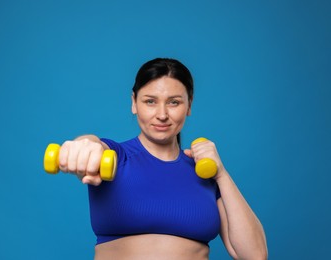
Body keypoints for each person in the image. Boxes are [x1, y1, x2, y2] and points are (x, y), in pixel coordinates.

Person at [58, 58, 268, 259]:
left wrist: (221, 174)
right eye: (150, 101)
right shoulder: (115, 157)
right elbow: (93, 146)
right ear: (134, 103)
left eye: (174, 102)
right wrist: (84, 146)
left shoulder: (205, 174)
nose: (162, 114)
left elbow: (254, 255)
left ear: (189, 105)